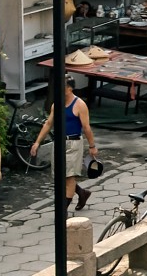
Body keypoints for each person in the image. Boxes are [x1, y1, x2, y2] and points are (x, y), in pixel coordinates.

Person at [30, 76, 97, 213]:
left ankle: (62, 210)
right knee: (61, 175)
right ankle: (82, 193)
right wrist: (37, 142)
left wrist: (92, 146)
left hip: (73, 143)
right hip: (59, 142)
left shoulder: (79, 105)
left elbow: (86, 127)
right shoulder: (57, 104)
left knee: (70, 176)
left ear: (69, 88)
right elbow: (49, 123)